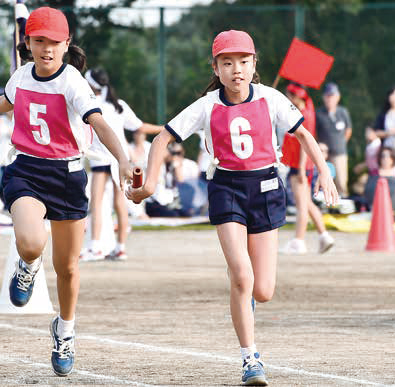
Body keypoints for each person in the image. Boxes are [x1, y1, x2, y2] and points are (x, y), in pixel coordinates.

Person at [127, 30, 338, 386]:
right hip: (226, 188)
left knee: (263, 290)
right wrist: (149, 184)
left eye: (243, 61)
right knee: (242, 274)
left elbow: (303, 135)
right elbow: (164, 137)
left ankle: (244, 285)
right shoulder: (207, 105)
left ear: (254, 64)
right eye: (227, 63)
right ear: (217, 67)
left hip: (267, 187)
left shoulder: (271, 98)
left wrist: (324, 176)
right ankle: (250, 358)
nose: (236, 69)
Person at [0, 7, 131, 377]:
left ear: (66, 44)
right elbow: (9, 99)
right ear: (28, 43)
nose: (46, 49)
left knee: (67, 267)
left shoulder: (73, 83)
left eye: (54, 42)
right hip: (27, 170)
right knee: (31, 242)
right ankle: (27, 266)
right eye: (39, 41)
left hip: (67, 177)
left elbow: (97, 122)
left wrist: (123, 157)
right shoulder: (22, 75)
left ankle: (64, 330)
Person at [81, 67, 162, 261]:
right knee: (120, 205)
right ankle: (120, 248)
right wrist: (168, 129)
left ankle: (95, 247)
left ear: (91, 85)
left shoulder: (89, 104)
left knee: (97, 204)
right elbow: (140, 126)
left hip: (102, 158)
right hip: (120, 160)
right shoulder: (119, 105)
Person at [280, 83, 334, 255]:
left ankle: (299, 241)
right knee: (307, 202)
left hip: (300, 166)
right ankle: (324, 235)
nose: (288, 99)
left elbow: (305, 144)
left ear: (296, 97)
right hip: (298, 165)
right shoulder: (300, 113)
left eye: (289, 96)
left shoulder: (305, 115)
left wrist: (302, 169)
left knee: (301, 204)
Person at [315, 82, 352, 197]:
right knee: (324, 181)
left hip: (340, 153)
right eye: (328, 96)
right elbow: (314, 132)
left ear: (338, 97)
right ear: (324, 97)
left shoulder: (343, 112)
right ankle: (326, 204)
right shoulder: (319, 113)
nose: (330, 99)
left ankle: (343, 204)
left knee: (341, 181)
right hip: (324, 155)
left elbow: (348, 130)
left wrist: (341, 143)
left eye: (332, 96)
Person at [372, 86, 395, 169]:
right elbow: (375, 132)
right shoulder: (384, 115)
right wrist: (390, 132)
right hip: (388, 153)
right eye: (393, 95)